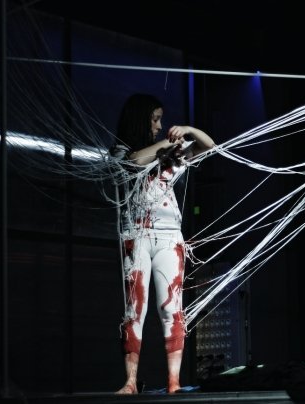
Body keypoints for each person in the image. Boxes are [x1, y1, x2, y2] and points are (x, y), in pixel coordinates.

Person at [109, 93, 215, 394]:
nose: (159, 126)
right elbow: (135, 162)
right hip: (136, 234)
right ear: (140, 120)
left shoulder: (171, 154)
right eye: (154, 119)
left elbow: (209, 146)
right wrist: (167, 145)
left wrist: (189, 130)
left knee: (172, 308)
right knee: (134, 310)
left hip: (169, 236)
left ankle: (173, 381)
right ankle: (130, 382)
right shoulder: (121, 152)